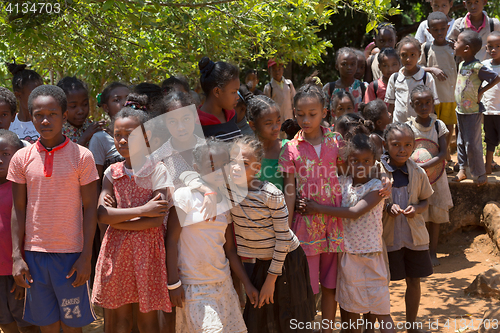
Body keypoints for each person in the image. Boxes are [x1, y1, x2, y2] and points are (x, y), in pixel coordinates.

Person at [8, 85, 99, 332]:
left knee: (72, 325)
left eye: (52, 114)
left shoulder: (82, 157)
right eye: (38, 114)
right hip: (34, 256)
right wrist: (17, 256)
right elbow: (18, 209)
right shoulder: (21, 158)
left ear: (64, 116)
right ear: (31, 116)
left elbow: (91, 208)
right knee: (47, 326)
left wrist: (86, 257)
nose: (45, 120)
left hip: (71, 258)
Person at [298, 130, 394, 333]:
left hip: (370, 257)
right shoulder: (343, 183)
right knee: (350, 311)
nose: (360, 165)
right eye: (355, 160)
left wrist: (316, 207)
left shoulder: (377, 188)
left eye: (366, 161)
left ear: (374, 161)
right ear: (347, 161)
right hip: (347, 255)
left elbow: (354, 212)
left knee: (381, 311)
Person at [92, 107, 172, 333]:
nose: (123, 140)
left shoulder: (158, 170)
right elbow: (102, 215)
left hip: (147, 254)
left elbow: (156, 221)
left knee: (147, 322)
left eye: (130, 134)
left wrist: (118, 222)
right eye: (117, 135)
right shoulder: (112, 172)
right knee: (121, 319)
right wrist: (145, 209)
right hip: (117, 253)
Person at [166, 138, 256, 333]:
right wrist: (173, 283)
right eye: (212, 165)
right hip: (194, 286)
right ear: (198, 168)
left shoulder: (225, 202)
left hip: (223, 285)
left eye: (224, 165)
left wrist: (246, 285)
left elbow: (230, 250)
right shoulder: (184, 196)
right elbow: (171, 241)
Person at [230, 136, 315, 333]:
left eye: (243, 164)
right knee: (260, 320)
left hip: (287, 260)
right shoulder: (227, 193)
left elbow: (283, 238)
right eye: (231, 162)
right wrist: (248, 283)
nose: (235, 168)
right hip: (262, 262)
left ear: (257, 168)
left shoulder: (271, 194)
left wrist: (270, 281)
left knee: (289, 320)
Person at [279, 83, 345, 332]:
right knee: (307, 288)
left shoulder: (336, 141)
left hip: (334, 224)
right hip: (305, 229)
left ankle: (327, 329)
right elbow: (290, 190)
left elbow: (352, 172)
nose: (305, 120)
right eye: (300, 114)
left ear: (324, 112)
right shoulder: (290, 148)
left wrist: (382, 178)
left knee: (331, 285)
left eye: (312, 114)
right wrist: (286, 231)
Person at [380, 122, 434, 333]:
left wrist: (417, 209)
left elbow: (425, 201)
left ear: (413, 146)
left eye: (407, 145)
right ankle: (375, 325)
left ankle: (411, 325)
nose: (402, 149)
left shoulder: (418, 172)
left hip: (414, 237)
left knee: (414, 280)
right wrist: (387, 206)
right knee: (381, 282)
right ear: (386, 145)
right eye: (396, 144)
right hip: (387, 238)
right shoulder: (377, 170)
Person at [406, 85, 453, 267]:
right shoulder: (408, 127)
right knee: (420, 215)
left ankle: (433, 252)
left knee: (436, 215)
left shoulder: (438, 125)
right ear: (412, 105)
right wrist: (416, 170)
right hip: (416, 179)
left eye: (427, 103)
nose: (424, 107)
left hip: (437, 176)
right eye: (419, 103)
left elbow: (442, 153)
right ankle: (422, 252)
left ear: (433, 103)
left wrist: (425, 166)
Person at [0, 130, 38, 333]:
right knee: (5, 323)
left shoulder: (23, 189)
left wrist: (24, 266)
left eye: (6, 154)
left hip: (19, 270)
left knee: (28, 324)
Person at [453, 30, 500, 184]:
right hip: (460, 110)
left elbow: (495, 77)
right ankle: (462, 169)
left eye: (457, 42)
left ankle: (479, 173)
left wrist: (481, 92)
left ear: (466, 48)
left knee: (472, 144)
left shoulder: (477, 66)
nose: (454, 44)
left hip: (472, 111)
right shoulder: (461, 63)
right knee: (460, 141)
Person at [419, 11, 458, 173]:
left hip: (450, 96)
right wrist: (432, 69)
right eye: (436, 30)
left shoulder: (453, 47)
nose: (440, 32)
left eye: (443, 29)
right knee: (435, 127)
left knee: (449, 127)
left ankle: (446, 153)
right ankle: (438, 156)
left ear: (448, 28)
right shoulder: (426, 47)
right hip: (433, 98)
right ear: (429, 31)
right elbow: (418, 67)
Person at [385, 36, 440, 123]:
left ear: (419, 54)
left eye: (412, 55)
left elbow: (431, 106)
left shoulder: (426, 77)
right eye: (404, 55)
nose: (408, 59)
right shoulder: (395, 78)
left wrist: (429, 126)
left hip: (420, 126)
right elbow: (391, 106)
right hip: (399, 126)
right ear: (399, 55)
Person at [90, 82, 129, 183]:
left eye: (128, 99)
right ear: (106, 107)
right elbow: (95, 181)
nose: (124, 103)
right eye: (117, 100)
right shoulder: (100, 139)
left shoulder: (142, 134)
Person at [197, 56, 243, 141]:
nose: (237, 97)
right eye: (233, 92)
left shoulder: (232, 115)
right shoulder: (197, 124)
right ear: (217, 91)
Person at [247, 95, 286, 191]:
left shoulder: (287, 148)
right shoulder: (246, 153)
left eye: (278, 121)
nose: (276, 127)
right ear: (253, 125)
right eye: (268, 123)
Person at [57, 76, 105, 146]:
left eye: (85, 104)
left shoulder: (91, 126)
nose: (80, 111)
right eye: (73, 106)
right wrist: (84, 139)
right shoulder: (57, 133)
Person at [5, 62, 42, 144]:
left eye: (42, 93)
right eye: (33, 94)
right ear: (18, 95)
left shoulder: (46, 122)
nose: (39, 98)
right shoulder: (9, 125)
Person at [324, 47, 365, 112]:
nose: (349, 68)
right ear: (337, 66)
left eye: (352, 64)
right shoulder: (329, 88)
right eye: (344, 64)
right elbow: (324, 116)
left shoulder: (363, 87)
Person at [482, 31, 500, 174]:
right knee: (489, 140)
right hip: (488, 110)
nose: (494, 50)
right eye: (490, 47)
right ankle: (488, 166)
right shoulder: (484, 65)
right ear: (486, 48)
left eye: (498, 46)